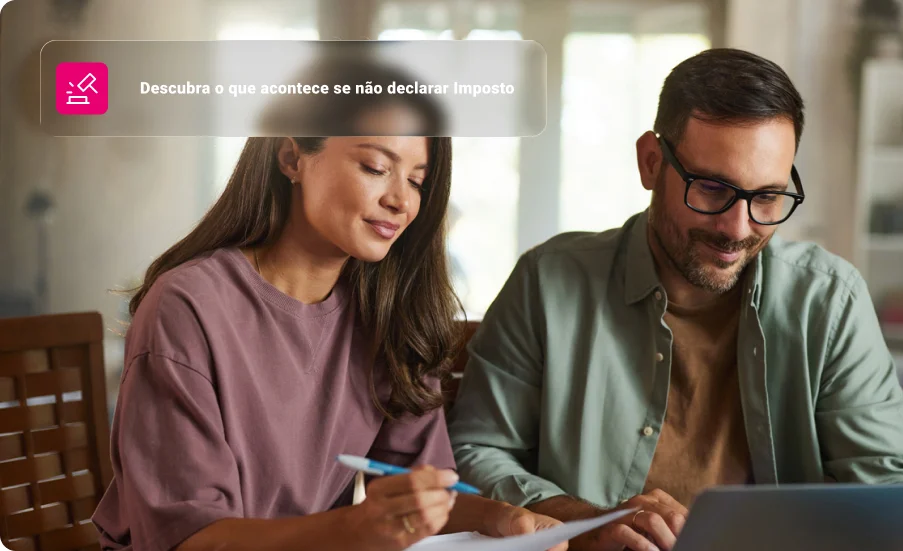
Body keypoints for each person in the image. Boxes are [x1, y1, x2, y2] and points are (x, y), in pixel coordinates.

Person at [447, 48, 903, 551]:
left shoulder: (830, 299)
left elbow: (889, 481)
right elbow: (471, 454)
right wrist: (584, 521)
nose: (738, 227)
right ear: (651, 163)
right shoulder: (547, 281)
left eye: (768, 197)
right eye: (712, 189)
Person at [92, 59, 566, 551]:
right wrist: (355, 530)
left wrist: (507, 520)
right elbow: (187, 541)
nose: (401, 201)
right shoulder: (188, 307)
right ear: (292, 157)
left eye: (418, 181)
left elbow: (420, 495)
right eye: (376, 168)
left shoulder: (386, 315)